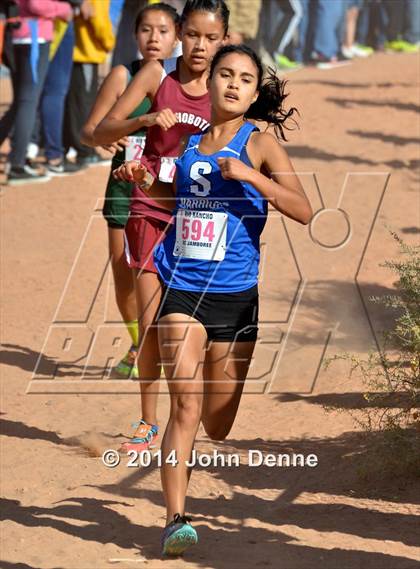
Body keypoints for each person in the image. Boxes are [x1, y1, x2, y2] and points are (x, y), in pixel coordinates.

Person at [114, 43, 313, 556]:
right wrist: (142, 181)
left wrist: (251, 176)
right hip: (183, 288)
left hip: (236, 299)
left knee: (217, 425)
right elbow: (174, 201)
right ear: (212, 80)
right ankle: (175, 519)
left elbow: (304, 209)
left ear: (254, 92)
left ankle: (208, 414)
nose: (232, 85)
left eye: (244, 79)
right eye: (225, 74)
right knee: (184, 405)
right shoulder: (190, 144)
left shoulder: (261, 144)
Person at [95, 0, 229, 453]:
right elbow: (100, 130)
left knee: (198, 326)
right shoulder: (157, 76)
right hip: (150, 212)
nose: (200, 46)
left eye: (211, 38)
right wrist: (145, 119)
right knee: (152, 324)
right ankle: (148, 421)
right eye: (192, 35)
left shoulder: (227, 87)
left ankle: (192, 411)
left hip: (201, 219)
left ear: (224, 40)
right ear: (179, 35)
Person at [80, 3, 179, 382]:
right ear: (135, 35)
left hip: (168, 190)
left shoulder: (185, 80)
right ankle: (140, 342)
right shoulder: (123, 74)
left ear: (178, 36)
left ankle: (164, 342)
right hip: (124, 188)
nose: (154, 38)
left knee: (167, 271)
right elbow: (91, 129)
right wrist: (102, 139)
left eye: (163, 31)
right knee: (123, 271)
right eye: (146, 30)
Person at [0, 0, 73, 185]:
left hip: (18, 33)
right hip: (34, 36)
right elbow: (36, 5)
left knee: (22, 102)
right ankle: (17, 165)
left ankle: (17, 160)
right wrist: (64, 9)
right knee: (28, 102)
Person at [63, 0, 115, 168]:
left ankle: (76, 148)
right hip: (86, 54)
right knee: (84, 105)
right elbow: (98, 20)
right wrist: (109, 42)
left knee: (75, 103)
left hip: (77, 53)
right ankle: (85, 151)